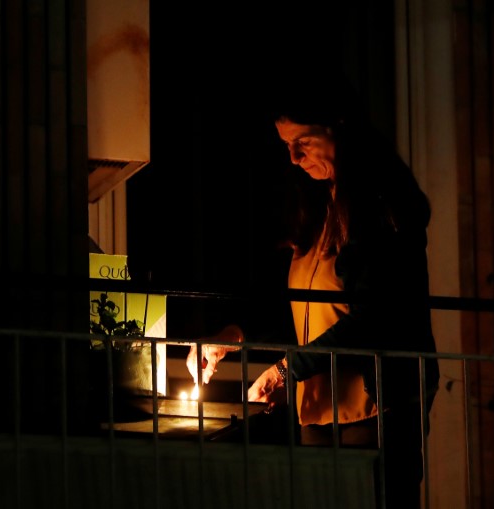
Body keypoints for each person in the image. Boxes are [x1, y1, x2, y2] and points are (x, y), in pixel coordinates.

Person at [186, 74, 440, 509]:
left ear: (338, 126)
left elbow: (371, 319)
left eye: (301, 141)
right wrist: (234, 334)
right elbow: (306, 307)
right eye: (285, 145)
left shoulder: (383, 207)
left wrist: (287, 369)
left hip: (376, 408)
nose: (293, 157)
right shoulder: (319, 207)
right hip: (320, 409)